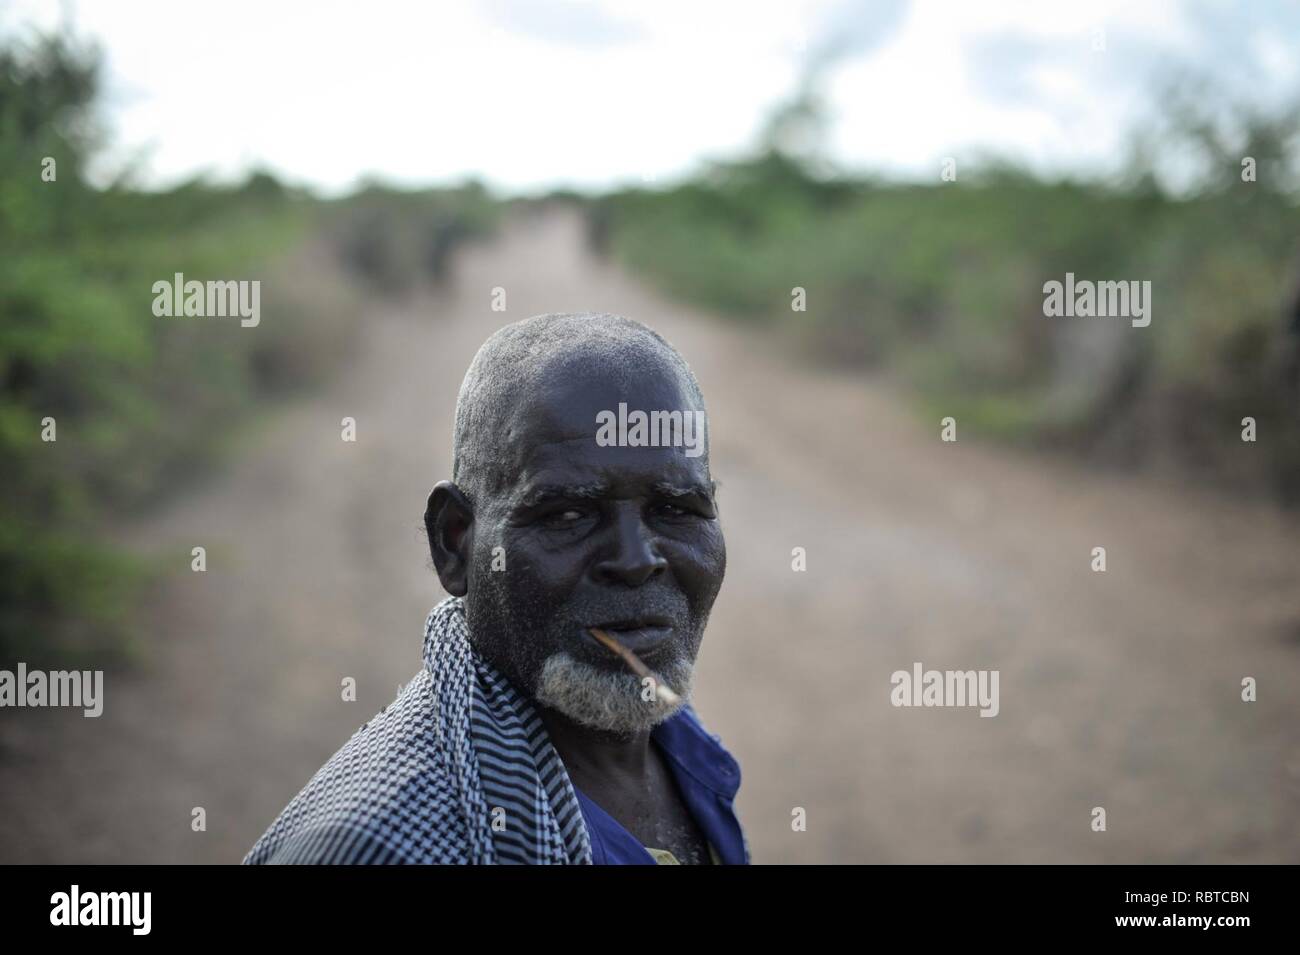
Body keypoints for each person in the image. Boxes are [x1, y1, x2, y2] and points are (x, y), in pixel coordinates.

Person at [243, 312, 747, 864]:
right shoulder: (377, 847)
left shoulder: (682, 759)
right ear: (456, 543)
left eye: (676, 508)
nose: (635, 561)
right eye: (569, 514)